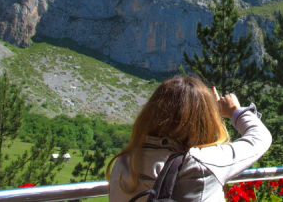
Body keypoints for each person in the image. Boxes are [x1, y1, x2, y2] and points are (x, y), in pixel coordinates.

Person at [107, 75, 271, 201]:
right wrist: (235, 110)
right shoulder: (199, 164)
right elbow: (260, 138)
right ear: (204, 120)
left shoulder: (124, 163)